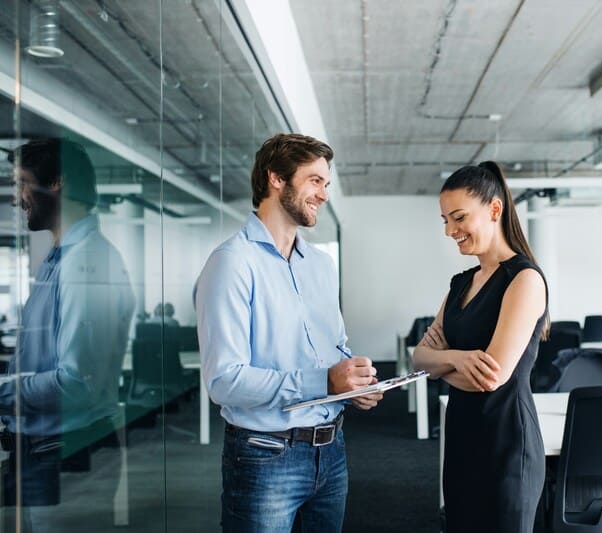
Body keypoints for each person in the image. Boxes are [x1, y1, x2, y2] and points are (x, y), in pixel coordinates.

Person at [194, 133, 383, 533]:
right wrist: (325, 381)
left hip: (332, 452)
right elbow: (224, 381)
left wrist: (353, 384)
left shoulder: (319, 265)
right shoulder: (232, 263)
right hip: (265, 456)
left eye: (326, 184)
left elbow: (335, 348)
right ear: (276, 178)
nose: (324, 194)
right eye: (315, 180)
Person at [0, 138, 135, 528]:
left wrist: (3, 389)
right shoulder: (59, 259)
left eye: (21, 183)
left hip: (66, 453)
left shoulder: (86, 263)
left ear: (56, 182)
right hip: (46, 451)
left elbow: (76, 383)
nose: (16, 198)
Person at [413, 161, 549, 533]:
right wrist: (457, 358)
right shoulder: (461, 283)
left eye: (458, 217)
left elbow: (491, 377)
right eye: (444, 220)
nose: (449, 230)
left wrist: (438, 366)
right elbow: (418, 358)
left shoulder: (524, 280)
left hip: (506, 444)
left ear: (493, 210)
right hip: (460, 438)